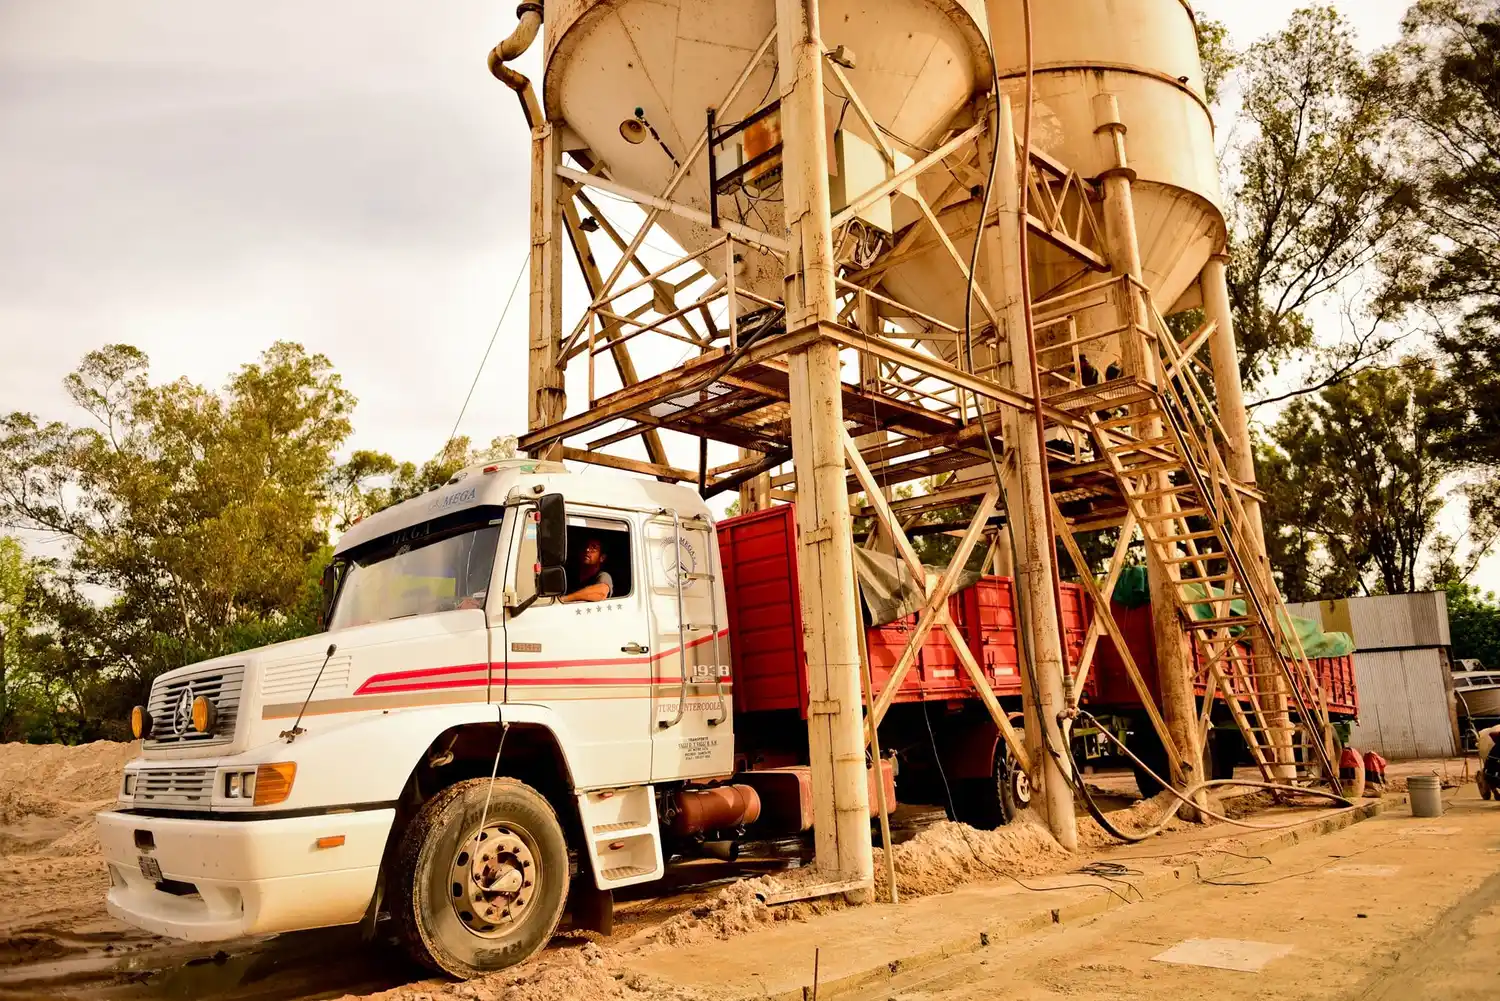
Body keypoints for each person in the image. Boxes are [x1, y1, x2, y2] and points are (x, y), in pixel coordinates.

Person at [561, 535, 613, 603]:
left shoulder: (603, 576)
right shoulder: (570, 573)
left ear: (602, 558)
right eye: (585, 546)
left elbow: (601, 592)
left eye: (593, 548)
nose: (587, 550)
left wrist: (564, 599)